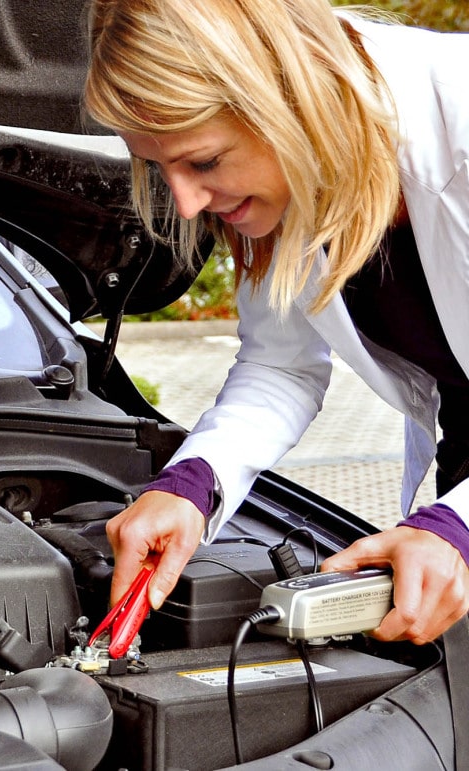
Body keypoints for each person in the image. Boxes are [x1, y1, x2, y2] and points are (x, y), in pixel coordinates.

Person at [83, 0, 469, 644]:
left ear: (286, 99)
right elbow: (281, 364)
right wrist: (193, 483)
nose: (185, 201)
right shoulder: (300, 169)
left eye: (203, 162)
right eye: (159, 165)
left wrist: (457, 528)